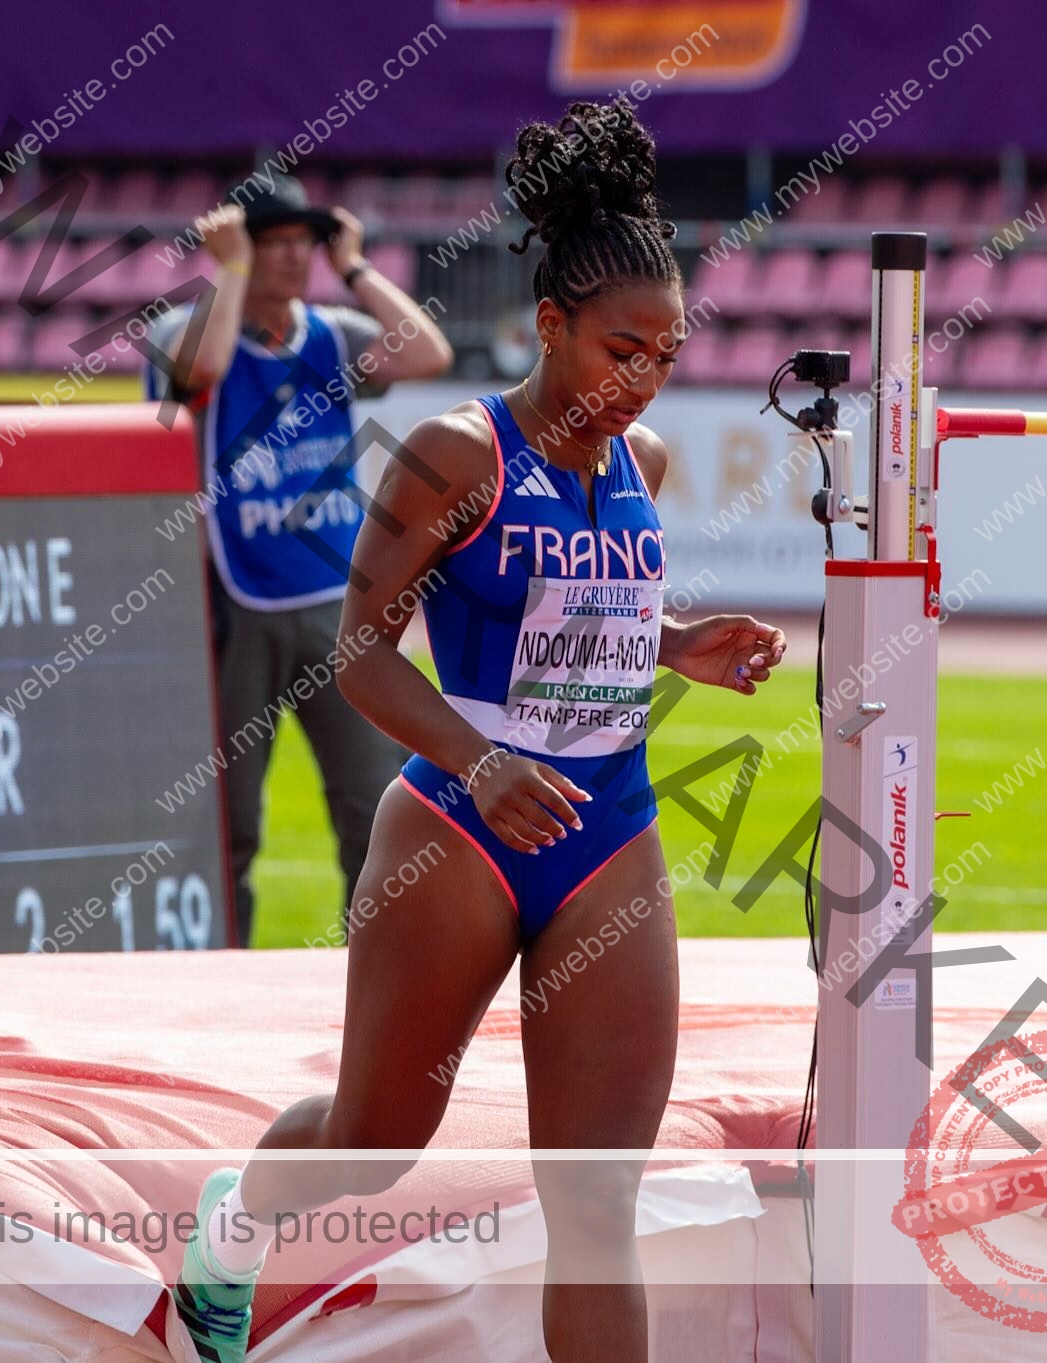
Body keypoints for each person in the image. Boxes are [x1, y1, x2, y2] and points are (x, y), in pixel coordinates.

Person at [171, 98, 787, 1362]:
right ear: (550, 325)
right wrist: (482, 762)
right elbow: (359, 655)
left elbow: (576, 606)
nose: (643, 380)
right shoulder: (458, 456)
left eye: (666, 356)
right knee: (372, 1146)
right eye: (622, 349)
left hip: (608, 830)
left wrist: (674, 643)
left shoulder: (646, 461)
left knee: (595, 1195)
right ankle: (230, 1238)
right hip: (458, 823)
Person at [146, 171, 453, 947]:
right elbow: (202, 374)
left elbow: (429, 353)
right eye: (273, 241)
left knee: (371, 805)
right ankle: (221, 973)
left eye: (301, 243)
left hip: (335, 603)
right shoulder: (183, 326)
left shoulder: (330, 332)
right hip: (234, 601)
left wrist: (355, 266)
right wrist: (231, 269)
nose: (293, 257)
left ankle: (373, 972)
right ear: (241, 246)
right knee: (230, 823)